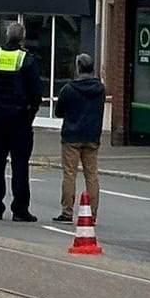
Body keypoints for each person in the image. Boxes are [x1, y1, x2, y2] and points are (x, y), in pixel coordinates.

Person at [0, 21, 42, 222]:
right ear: (22, 38)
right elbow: (36, 93)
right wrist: (29, 114)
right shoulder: (27, 59)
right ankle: (20, 209)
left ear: (6, 36)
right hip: (19, 117)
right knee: (20, 164)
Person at [53, 53, 107, 222]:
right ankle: (92, 213)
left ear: (78, 68)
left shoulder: (69, 89)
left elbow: (58, 112)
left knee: (70, 174)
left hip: (71, 136)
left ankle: (67, 211)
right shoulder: (100, 89)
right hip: (92, 136)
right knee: (91, 175)